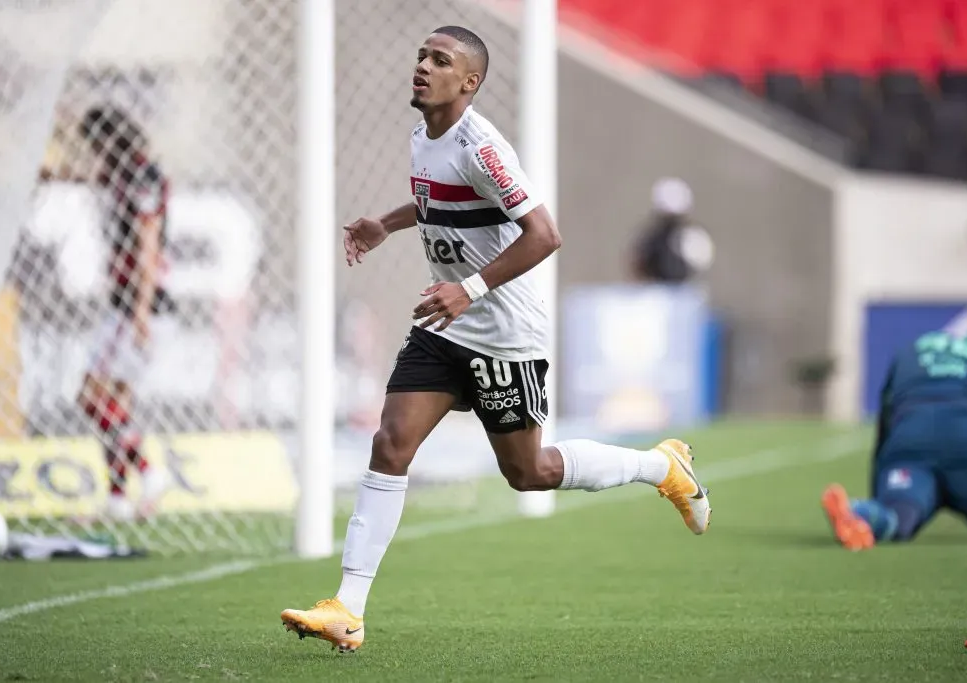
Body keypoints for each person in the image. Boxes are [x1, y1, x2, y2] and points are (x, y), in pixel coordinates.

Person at [280, 26, 712, 653]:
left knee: (529, 472)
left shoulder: (483, 149)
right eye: (421, 54)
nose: (422, 66)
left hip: (503, 333)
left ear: (469, 82)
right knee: (390, 442)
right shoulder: (421, 137)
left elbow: (544, 234)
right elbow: (437, 198)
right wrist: (387, 224)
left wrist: (471, 289)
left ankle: (661, 467)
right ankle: (348, 608)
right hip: (444, 326)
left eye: (440, 60)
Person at [76, 106, 172, 521]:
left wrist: (140, 313)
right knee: (116, 405)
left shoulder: (142, 178)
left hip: (137, 305)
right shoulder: (121, 175)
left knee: (90, 395)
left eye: (96, 145)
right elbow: (78, 175)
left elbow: (148, 246)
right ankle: (117, 497)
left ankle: (150, 472)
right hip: (128, 303)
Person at [821, 329, 967, 550]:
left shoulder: (912, 350)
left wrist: (880, 491)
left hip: (909, 437)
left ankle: (858, 512)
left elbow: (885, 421)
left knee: (898, 515)